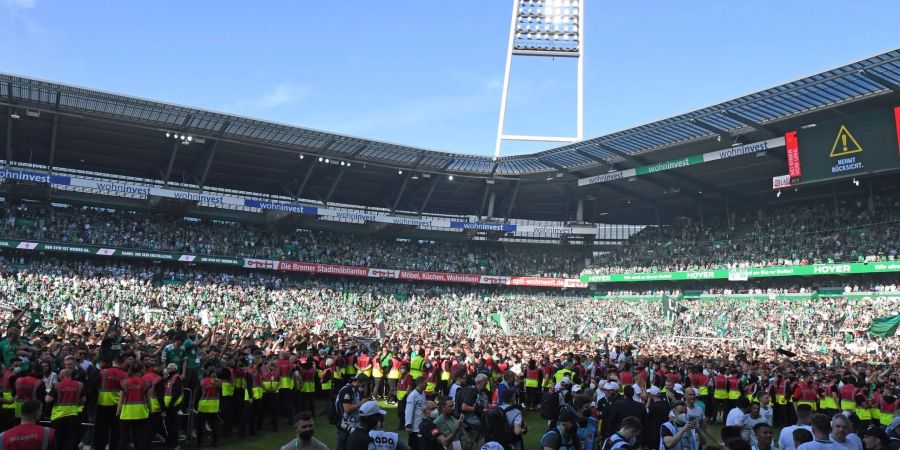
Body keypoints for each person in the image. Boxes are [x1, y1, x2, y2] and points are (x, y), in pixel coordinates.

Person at [44, 368, 84, 450]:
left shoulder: (57, 385)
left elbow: (48, 399)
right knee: (71, 439)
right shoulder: (80, 385)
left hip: (58, 416)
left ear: (62, 375)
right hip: (74, 415)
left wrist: (47, 393)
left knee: (58, 440)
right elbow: (83, 400)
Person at [337, 373, 372, 450]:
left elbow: (356, 406)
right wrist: (362, 402)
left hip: (353, 426)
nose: (365, 386)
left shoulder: (356, 390)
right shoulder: (347, 390)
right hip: (345, 428)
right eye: (364, 384)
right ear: (360, 382)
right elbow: (347, 408)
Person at [460, 374, 490, 450]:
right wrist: (477, 409)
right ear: (479, 382)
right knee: (467, 446)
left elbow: (485, 405)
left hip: (480, 424)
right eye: (485, 381)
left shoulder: (483, 392)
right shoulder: (471, 391)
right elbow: (464, 407)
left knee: (483, 446)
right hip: (471, 426)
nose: (487, 383)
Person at [196, 365, 222, 447]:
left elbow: (198, 394)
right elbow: (220, 394)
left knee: (200, 425)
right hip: (214, 406)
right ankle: (215, 441)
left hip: (203, 406)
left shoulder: (203, 381)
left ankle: (199, 442)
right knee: (214, 425)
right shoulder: (219, 382)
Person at [162, 363, 183, 450]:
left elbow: (176, 392)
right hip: (169, 406)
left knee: (173, 426)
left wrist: (170, 404)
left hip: (174, 406)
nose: (167, 370)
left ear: (172, 369)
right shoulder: (170, 378)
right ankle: (169, 442)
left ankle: (175, 444)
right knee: (169, 425)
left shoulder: (176, 378)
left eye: (168, 368)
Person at [405, 377, 427, 450]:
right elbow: (409, 411)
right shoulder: (412, 395)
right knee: (413, 446)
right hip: (414, 428)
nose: (427, 384)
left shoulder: (423, 393)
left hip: (422, 426)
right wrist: (408, 425)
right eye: (425, 383)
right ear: (420, 384)